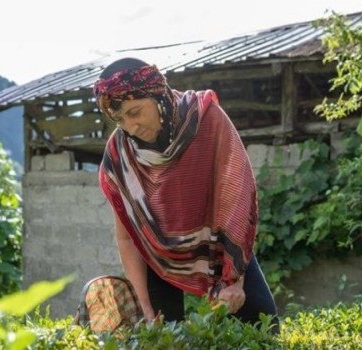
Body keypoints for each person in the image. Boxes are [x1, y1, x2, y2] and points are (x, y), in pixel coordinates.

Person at [93, 57, 279, 332]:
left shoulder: (206, 119)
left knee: (263, 325)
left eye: (135, 112)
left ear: (157, 95)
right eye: (120, 119)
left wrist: (234, 279)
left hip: (218, 246)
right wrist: (144, 308)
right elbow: (127, 237)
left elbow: (238, 201)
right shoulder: (120, 152)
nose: (131, 127)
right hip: (158, 254)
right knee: (162, 335)